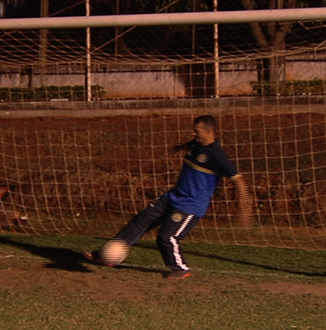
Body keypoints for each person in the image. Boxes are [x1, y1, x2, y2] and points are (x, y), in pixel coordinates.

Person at [84, 115, 253, 279]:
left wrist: (245, 209)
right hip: (173, 197)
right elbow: (192, 143)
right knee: (140, 222)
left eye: (197, 131)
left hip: (190, 206)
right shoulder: (196, 144)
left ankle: (180, 268)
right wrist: (181, 147)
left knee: (167, 237)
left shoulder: (218, 156)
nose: (194, 134)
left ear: (210, 132)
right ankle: (106, 255)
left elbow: (239, 180)